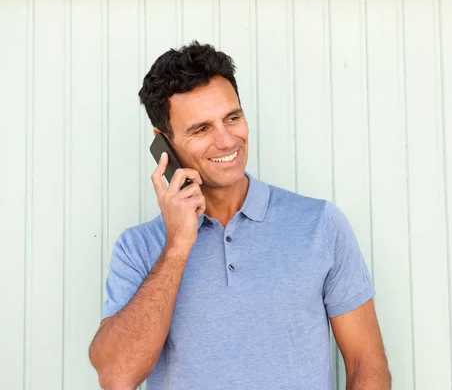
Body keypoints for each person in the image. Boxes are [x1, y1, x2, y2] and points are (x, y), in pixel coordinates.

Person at [88, 40, 391, 390]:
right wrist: (177, 246)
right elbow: (116, 375)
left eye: (232, 118)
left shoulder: (320, 224)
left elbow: (365, 361)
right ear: (164, 143)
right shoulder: (137, 247)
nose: (227, 140)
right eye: (201, 129)